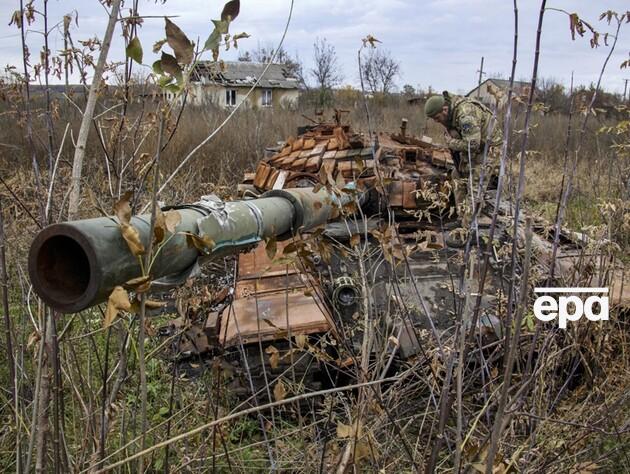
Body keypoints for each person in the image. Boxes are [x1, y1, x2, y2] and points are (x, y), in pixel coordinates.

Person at [424, 91, 503, 213]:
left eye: (437, 118)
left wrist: (451, 143)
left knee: (475, 184)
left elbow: (473, 145)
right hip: (476, 145)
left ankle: (469, 227)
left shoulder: (465, 115)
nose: (437, 121)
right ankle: (462, 219)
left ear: (445, 110)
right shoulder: (451, 113)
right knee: (457, 175)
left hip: (490, 148)